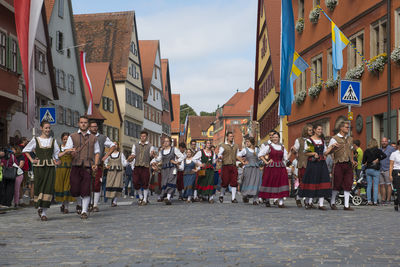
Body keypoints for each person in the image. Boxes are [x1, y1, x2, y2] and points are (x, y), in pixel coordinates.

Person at [23, 120, 60, 221]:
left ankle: (44, 212)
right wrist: (32, 160)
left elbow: (56, 154)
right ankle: (39, 207)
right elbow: (26, 150)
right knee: (39, 186)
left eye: (49, 128)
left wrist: (57, 160)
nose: (48, 130)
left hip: (50, 167)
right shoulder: (36, 140)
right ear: (41, 128)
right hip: (39, 167)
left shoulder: (53, 141)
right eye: (46, 128)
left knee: (48, 188)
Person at [64, 115, 100, 219]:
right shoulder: (72, 136)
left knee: (86, 189)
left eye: (85, 122)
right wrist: (71, 153)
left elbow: (97, 152)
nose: (83, 124)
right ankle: (79, 202)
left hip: (88, 166)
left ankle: (84, 211)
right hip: (75, 165)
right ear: (78, 124)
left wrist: (95, 164)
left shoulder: (93, 138)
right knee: (75, 190)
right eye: (81, 122)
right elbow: (67, 150)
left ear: (87, 124)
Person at [298, 124, 334, 210]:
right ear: (314, 130)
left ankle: (321, 204)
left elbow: (325, 152)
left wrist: (332, 147)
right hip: (313, 164)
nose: (320, 131)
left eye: (321, 129)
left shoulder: (322, 141)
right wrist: (313, 153)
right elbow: (306, 153)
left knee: (323, 181)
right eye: (318, 129)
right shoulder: (310, 140)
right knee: (312, 181)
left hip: (321, 164)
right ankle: (309, 202)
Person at [328, 121, 357, 211]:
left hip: (348, 163)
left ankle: (346, 205)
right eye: (346, 127)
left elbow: (351, 150)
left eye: (348, 127)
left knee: (348, 183)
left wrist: (352, 160)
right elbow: (329, 151)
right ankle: (332, 202)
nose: (348, 129)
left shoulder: (350, 139)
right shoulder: (334, 138)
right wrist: (333, 156)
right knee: (337, 183)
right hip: (338, 163)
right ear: (341, 128)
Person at [258, 131, 291, 208]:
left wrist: (291, 152)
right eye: (274, 137)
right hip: (271, 167)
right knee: (270, 182)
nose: (275, 138)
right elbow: (260, 154)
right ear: (272, 138)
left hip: (281, 167)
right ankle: (267, 199)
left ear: (279, 138)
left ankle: (280, 202)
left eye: (277, 137)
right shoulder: (269, 146)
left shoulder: (282, 147)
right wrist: (266, 162)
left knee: (281, 182)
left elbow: (286, 158)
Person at [89, 121, 115, 212]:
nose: (94, 128)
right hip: (86, 164)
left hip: (98, 164)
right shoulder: (85, 136)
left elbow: (113, 145)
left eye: (95, 126)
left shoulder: (102, 137)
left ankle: (95, 204)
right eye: (92, 127)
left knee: (96, 184)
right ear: (89, 128)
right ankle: (88, 203)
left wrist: (106, 155)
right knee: (87, 184)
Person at [151, 137, 184, 205]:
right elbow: (158, 159)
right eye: (164, 141)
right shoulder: (162, 151)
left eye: (167, 141)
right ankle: (167, 196)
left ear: (170, 142)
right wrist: (155, 156)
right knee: (164, 182)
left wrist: (176, 162)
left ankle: (168, 198)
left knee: (171, 181)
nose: (165, 143)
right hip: (164, 169)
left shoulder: (174, 149)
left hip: (172, 168)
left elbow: (182, 156)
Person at [127, 131, 155, 206]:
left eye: (144, 136)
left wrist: (152, 155)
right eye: (142, 136)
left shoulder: (150, 146)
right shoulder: (135, 145)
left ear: (146, 137)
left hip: (145, 166)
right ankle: (140, 196)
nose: (143, 137)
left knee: (145, 182)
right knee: (135, 182)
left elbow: (151, 157)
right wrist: (131, 158)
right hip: (137, 166)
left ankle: (145, 199)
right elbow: (133, 154)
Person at [291, 124, 313, 208]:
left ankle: (308, 201)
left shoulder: (312, 140)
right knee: (303, 183)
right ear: (305, 131)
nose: (311, 132)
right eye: (309, 130)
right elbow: (295, 150)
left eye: (312, 130)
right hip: (303, 164)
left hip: (311, 164)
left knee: (310, 183)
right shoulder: (299, 140)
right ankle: (298, 197)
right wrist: (294, 151)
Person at [54, 132, 75, 214]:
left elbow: (75, 157)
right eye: (64, 139)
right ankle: (63, 204)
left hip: (69, 169)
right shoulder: (59, 148)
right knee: (61, 187)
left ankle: (66, 207)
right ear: (62, 140)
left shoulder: (72, 148)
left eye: (67, 139)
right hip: (60, 170)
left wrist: (73, 153)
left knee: (68, 187)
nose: (66, 141)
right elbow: (56, 156)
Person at [237, 137, 261, 205]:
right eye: (246, 142)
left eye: (248, 141)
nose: (246, 143)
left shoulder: (257, 150)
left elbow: (261, 157)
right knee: (247, 182)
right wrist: (243, 162)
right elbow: (238, 155)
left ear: (252, 142)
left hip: (256, 168)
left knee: (256, 182)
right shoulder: (245, 150)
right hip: (248, 168)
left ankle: (255, 199)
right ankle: (245, 195)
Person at [218, 132, 241, 203]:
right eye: (230, 136)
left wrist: (241, 162)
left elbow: (238, 155)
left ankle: (233, 198)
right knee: (225, 181)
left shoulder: (236, 146)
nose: (232, 137)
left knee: (234, 181)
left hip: (233, 165)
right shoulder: (223, 145)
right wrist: (220, 157)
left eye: (232, 136)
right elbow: (219, 154)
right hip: (226, 165)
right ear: (227, 137)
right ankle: (221, 195)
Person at [363, 138, 387, 205]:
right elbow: (385, 156)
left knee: (369, 185)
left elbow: (363, 161)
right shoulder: (378, 150)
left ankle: (369, 201)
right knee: (376, 185)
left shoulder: (366, 151)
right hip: (376, 169)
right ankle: (375, 201)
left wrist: (367, 161)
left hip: (368, 169)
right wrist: (378, 159)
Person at [104, 142, 127, 207]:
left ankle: (115, 201)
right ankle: (112, 198)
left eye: (116, 144)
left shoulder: (121, 154)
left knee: (117, 185)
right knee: (111, 185)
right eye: (113, 144)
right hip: (111, 172)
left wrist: (128, 161)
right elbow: (105, 162)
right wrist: (106, 165)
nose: (115, 145)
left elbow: (124, 163)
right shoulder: (108, 154)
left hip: (118, 172)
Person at [380, 137, 396, 205]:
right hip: (380, 169)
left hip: (387, 169)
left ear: (387, 142)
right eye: (383, 141)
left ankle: (388, 199)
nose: (384, 142)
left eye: (385, 141)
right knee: (382, 185)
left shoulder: (391, 149)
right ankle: (383, 199)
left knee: (389, 185)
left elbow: (396, 157)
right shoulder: (379, 149)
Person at [389, 140, 400, 211]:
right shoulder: (394, 154)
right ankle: (397, 202)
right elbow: (391, 165)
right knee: (398, 189)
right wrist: (390, 175)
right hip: (396, 172)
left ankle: (397, 201)